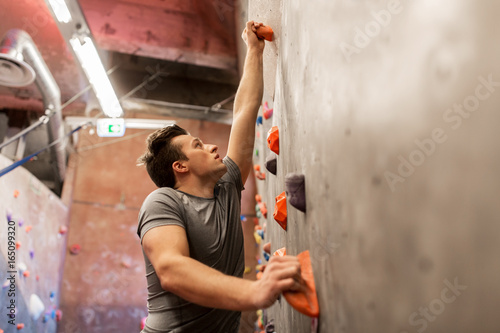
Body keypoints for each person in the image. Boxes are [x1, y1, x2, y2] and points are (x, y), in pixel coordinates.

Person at [136, 21, 301, 333]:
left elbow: (243, 112)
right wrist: (255, 292)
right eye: (197, 146)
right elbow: (171, 269)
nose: (211, 145)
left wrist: (254, 51)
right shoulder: (162, 201)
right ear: (180, 167)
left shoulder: (225, 186)